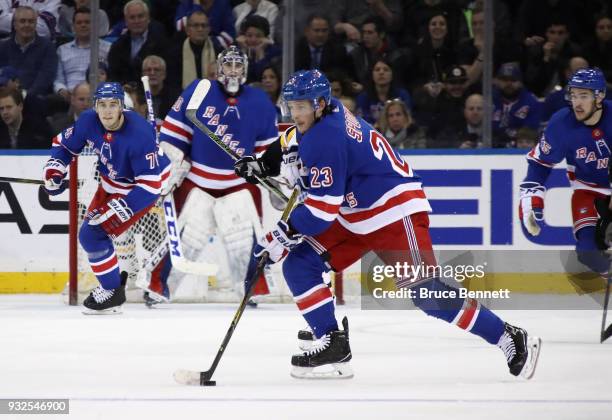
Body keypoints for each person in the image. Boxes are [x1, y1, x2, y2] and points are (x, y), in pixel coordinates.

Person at [234, 69, 541, 379]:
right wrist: (264, 162)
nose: (295, 113)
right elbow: (292, 139)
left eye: (302, 106)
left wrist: (281, 235)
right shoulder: (327, 113)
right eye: (292, 105)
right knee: (300, 265)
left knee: (428, 295)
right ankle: (333, 343)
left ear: (320, 104)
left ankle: (508, 336)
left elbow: (320, 214)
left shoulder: (326, 137)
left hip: (393, 209)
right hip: (355, 210)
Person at [145, 45, 278, 304]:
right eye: (228, 65)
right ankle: (158, 287)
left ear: (246, 69)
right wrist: (175, 164)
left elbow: (267, 151)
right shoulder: (199, 90)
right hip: (197, 180)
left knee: (245, 239)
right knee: (186, 237)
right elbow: (174, 133)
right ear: (219, 67)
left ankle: (250, 288)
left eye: (238, 65)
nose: (233, 70)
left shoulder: (260, 101)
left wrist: (265, 171)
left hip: (239, 183)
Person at [41, 82, 170, 314]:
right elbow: (63, 145)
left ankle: (112, 292)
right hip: (110, 183)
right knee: (90, 236)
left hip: (138, 189)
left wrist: (124, 207)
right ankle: (112, 291)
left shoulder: (139, 134)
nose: (107, 111)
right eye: (102, 105)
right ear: (96, 106)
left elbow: (150, 186)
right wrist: (54, 171)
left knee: (93, 233)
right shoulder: (89, 121)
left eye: (113, 105)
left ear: (121, 106)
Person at [520, 68, 612, 276]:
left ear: (600, 96)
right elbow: (540, 164)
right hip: (587, 191)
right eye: (573, 95)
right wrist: (531, 200)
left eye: (584, 95)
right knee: (588, 252)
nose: (577, 102)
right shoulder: (561, 124)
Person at [54, 7, 111, 101]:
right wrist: (62, 90)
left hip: (99, 95)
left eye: (87, 22)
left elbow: (112, 77)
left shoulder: (108, 48)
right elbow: (58, 79)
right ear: (73, 27)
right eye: (79, 23)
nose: (83, 25)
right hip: (69, 96)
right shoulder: (62, 50)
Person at [0, 6, 57, 97]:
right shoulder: (3, 47)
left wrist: (24, 95)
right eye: (22, 21)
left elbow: (46, 77)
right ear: (15, 25)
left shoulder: (48, 47)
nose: (27, 25)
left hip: (35, 99)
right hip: (6, 99)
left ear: (35, 24)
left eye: (31, 21)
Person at [492, 63, 541, 147]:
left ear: (520, 82)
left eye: (513, 80)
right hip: (490, 146)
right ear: (497, 81)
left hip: (519, 148)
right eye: (505, 80)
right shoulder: (489, 100)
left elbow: (529, 133)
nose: (509, 83)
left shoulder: (531, 102)